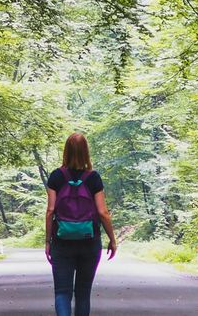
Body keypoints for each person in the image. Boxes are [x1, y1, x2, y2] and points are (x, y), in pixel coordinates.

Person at [45, 132, 117, 316]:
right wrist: (112, 239)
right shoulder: (93, 178)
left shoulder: (56, 177)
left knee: (62, 292)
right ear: (86, 151)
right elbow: (102, 212)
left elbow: (51, 210)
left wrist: (48, 242)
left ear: (66, 151)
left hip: (61, 241)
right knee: (83, 294)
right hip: (89, 241)